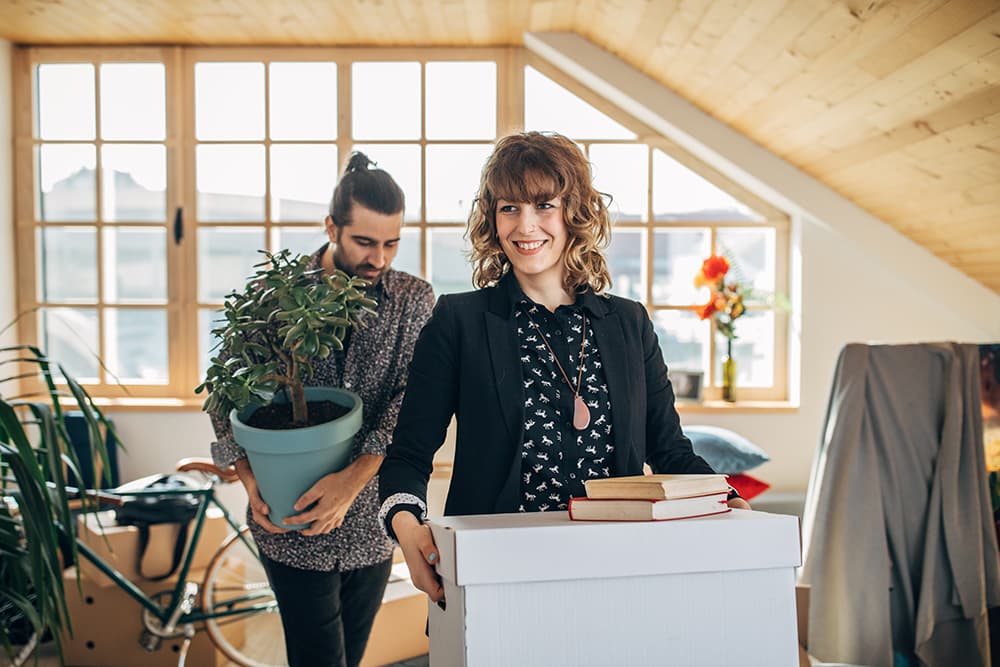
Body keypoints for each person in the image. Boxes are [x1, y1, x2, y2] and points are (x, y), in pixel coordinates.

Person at [378, 131, 749, 602]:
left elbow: (670, 451)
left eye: (544, 205)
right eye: (509, 207)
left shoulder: (629, 324)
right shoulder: (459, 321)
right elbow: (408, 456)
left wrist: (728, 499)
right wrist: (410, 533)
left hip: (617, 572)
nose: (525, 226)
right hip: (494, 572)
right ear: (492, 219)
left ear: (575, 213)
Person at [209, 152, 435, 667]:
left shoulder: (413, 300)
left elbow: (414, 398)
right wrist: (246, 475)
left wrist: (354, 480)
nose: (379, 258)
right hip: (289, 523)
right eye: (365, 242)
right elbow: (226, 391)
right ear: (331, 226)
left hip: (372, 523)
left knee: (349, 659)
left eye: (392, 243)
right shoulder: (275, 296)